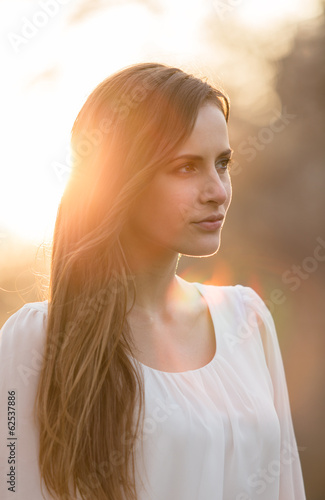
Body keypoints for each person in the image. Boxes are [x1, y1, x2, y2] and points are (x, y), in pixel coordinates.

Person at [0, 62, 306, 500]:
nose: (217, 190)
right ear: (121, 180)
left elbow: (285, 488)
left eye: (222, 163)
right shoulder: (37, 339)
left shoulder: (249, 319)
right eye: (186, 167)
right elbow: (13, 487)